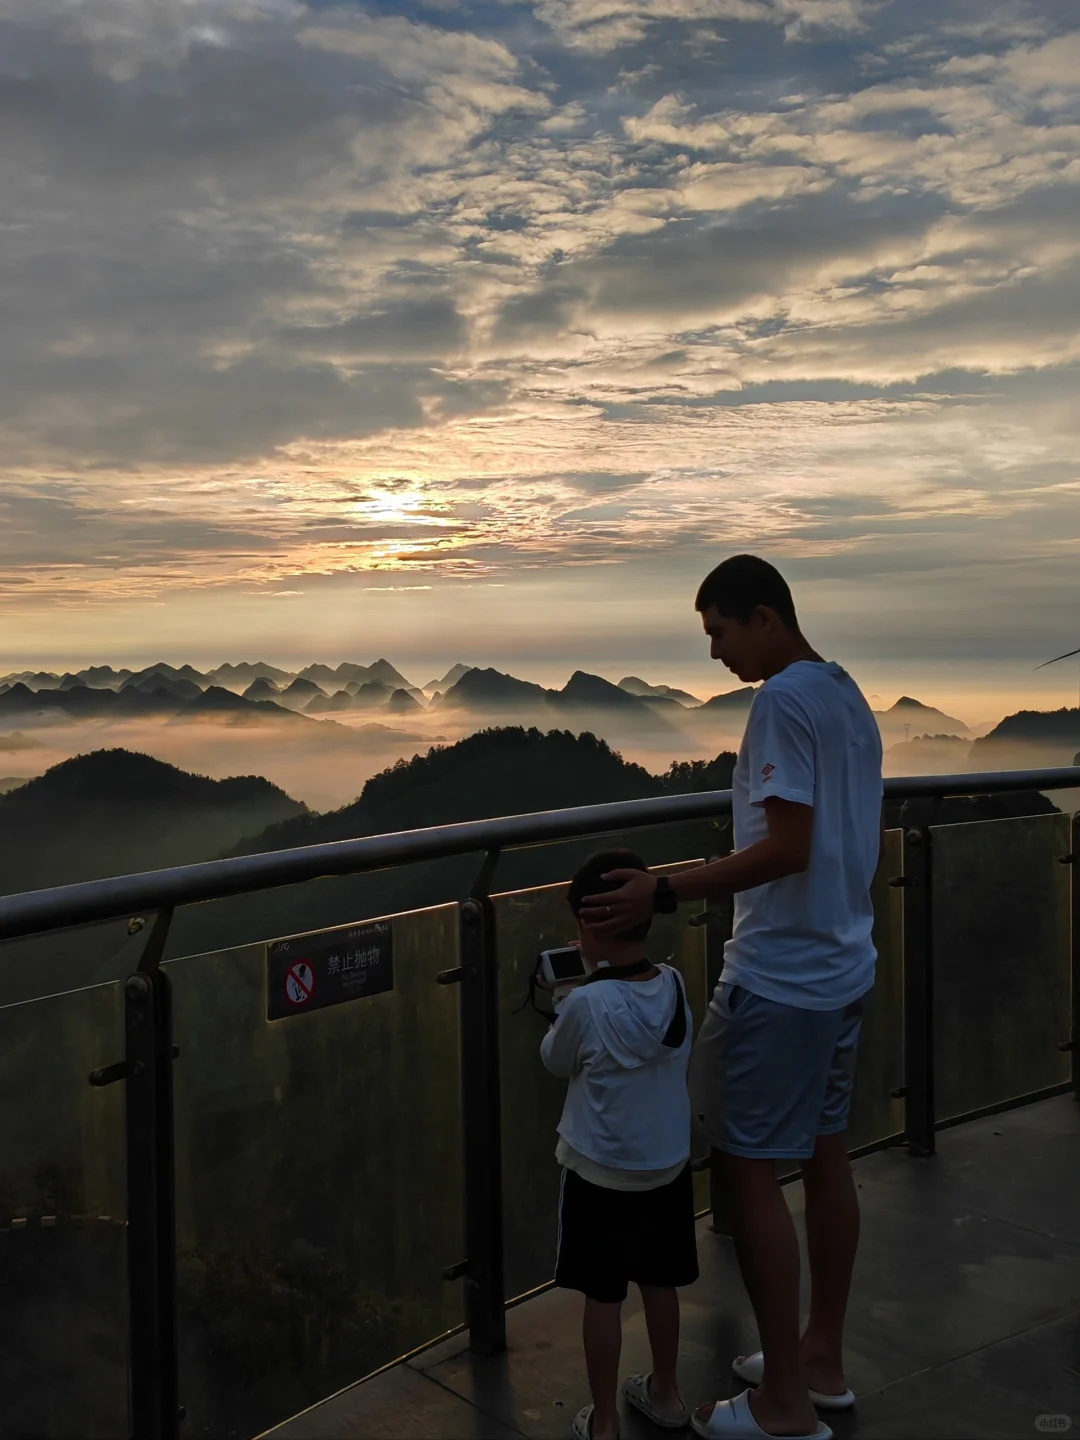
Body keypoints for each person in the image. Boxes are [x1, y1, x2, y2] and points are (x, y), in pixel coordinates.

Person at [581, 555, 883, 1440]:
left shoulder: (784, 701)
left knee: (747, 1166)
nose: (713, 655)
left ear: (762, 617)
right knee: (825, 1155)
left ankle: (783, 1403)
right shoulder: (845, 692)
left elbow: (788, 845)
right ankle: (817, 1358)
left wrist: (662, 891)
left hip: (784, 978)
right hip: (844, 966)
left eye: (717, 632)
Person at [541, 847, 699, 1440]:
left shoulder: (584, 1002)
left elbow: (556, 1061)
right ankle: (667, 1392)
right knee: (660, 1280)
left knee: (603, 1294)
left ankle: (604, 1422)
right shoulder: (677, 986)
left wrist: (562, 1002)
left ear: (587, 927)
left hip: (599, 1174)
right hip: (666, 1165)